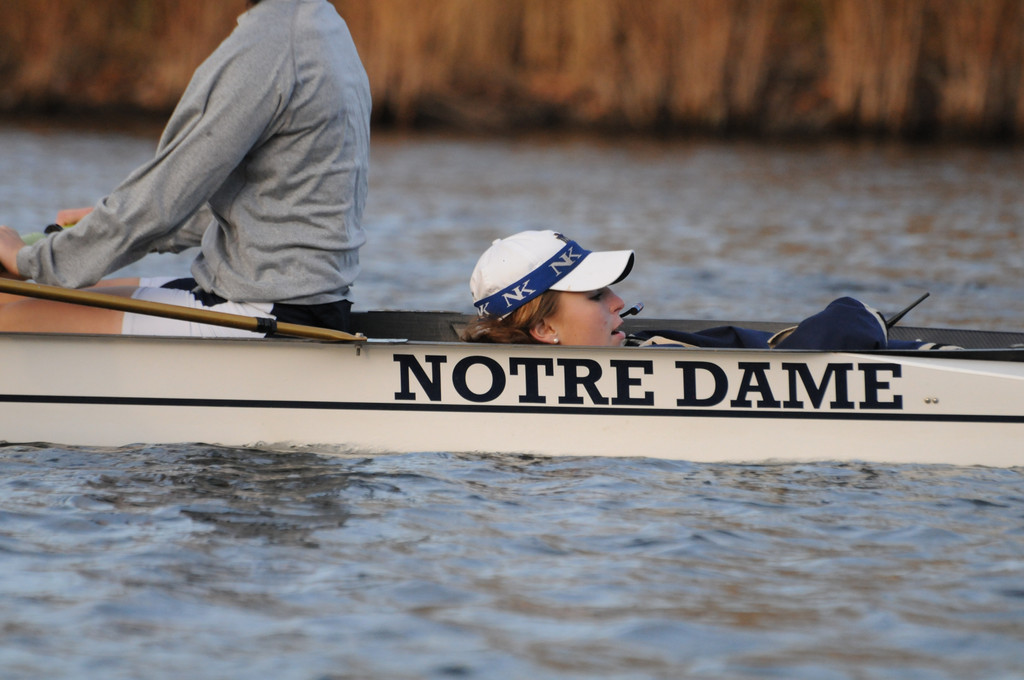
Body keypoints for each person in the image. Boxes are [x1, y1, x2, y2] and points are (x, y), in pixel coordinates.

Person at [0, 0, 371, 336]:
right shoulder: (324, 24)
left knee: (8, 313)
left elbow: (161, 202)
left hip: (262, 312)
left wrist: (28, 259)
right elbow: (273, 208)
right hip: (305, 306)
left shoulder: (268, 45)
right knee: (15, 297)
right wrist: (88, 229)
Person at [461, 230, 952, 350]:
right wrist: (860, 314)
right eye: (594, 297)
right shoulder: (659, 357)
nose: (617, 304)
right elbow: (836, 331)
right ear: (545, 327)